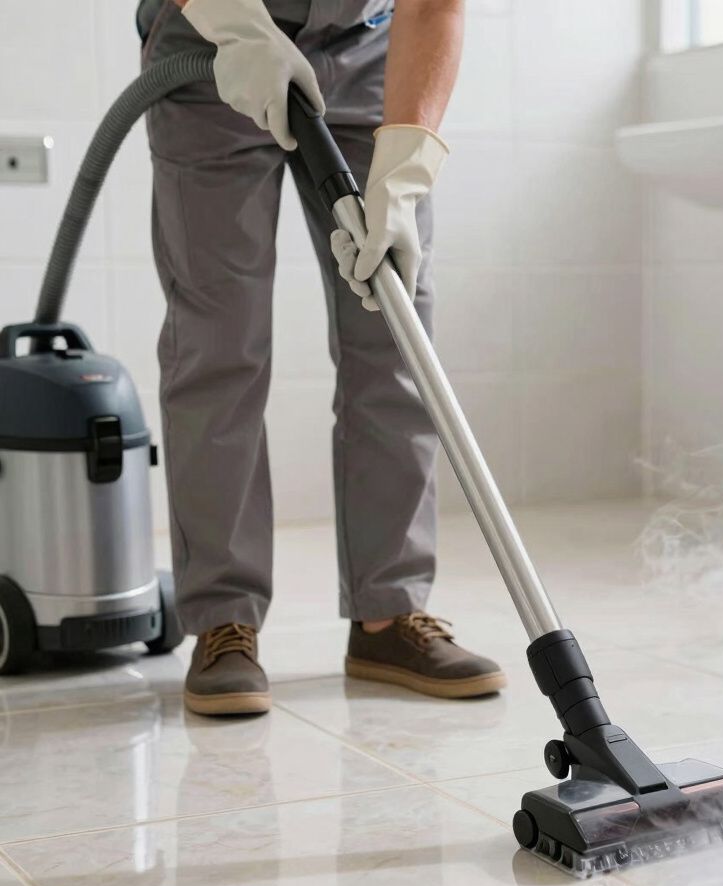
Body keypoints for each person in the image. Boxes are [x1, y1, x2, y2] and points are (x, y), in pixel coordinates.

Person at [136, 0, 505, 716]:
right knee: (220, 337)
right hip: (213, 35)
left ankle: (387, 614)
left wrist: (405, 171)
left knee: (394, 326)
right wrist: (242, 30)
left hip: (368, 52)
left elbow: (434, 5)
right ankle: (224, 621)